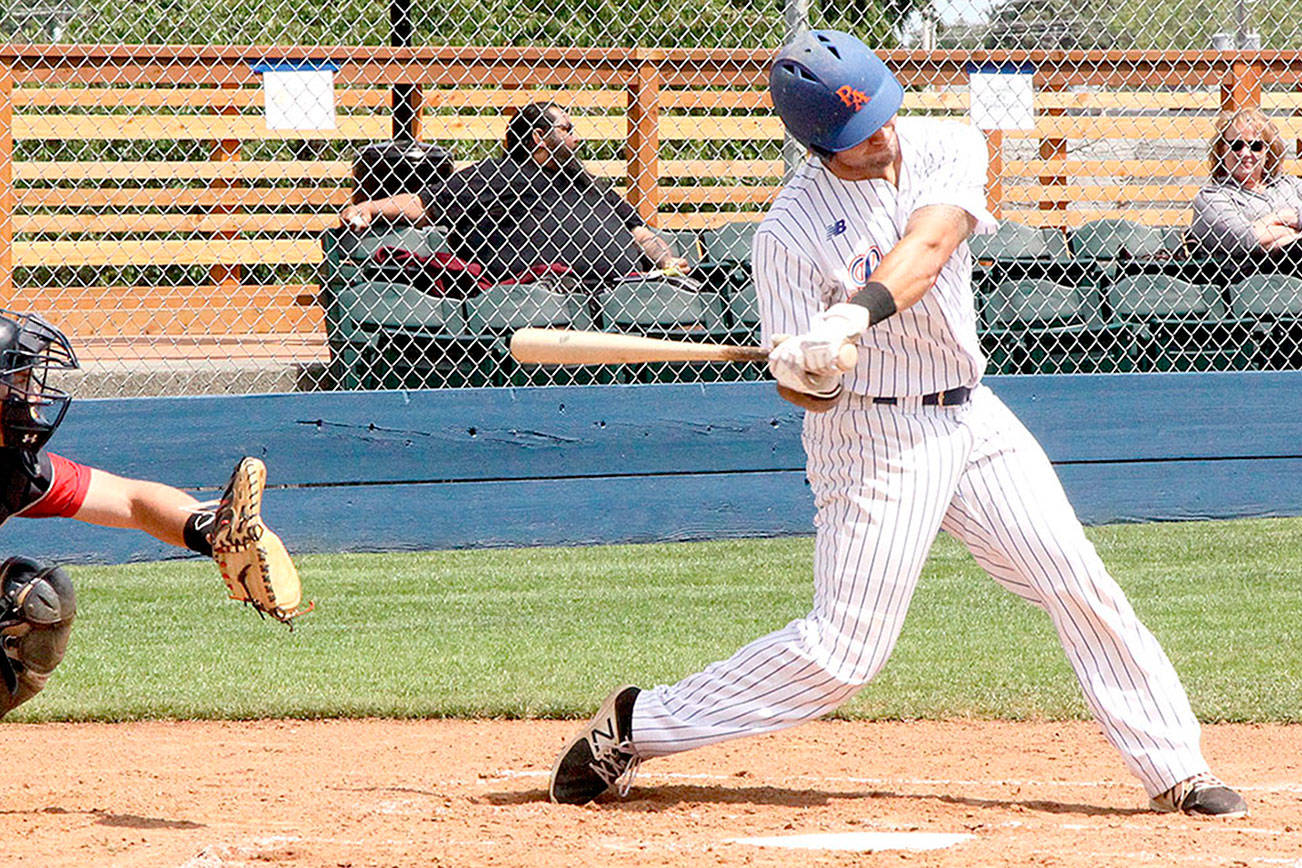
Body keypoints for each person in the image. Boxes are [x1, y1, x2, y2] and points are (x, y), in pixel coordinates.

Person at [548, 29, 1248, 819]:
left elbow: (930, 243)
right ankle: (638, 725)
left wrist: (850, 312)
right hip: (870, 441)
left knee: (1077, 579)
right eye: (857, 135)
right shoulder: (785, 234)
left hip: (971, 417)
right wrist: (806, 369)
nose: (880, 137)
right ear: (817, 145)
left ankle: (1175, 767)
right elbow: (805, 399)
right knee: (843, 654)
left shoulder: (944, 144)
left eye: (882, 115)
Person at [0, 309, 306, 718]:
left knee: (39, 598)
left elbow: (132, 501)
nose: (34, 397)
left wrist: (209, 531)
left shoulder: (14, 470)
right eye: (18, 382)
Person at [339, 101, 688, 285]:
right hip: (544, 291)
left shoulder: (588, 185)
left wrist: (666, 260)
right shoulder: (501, 175)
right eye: (567, 129)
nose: (576, 138)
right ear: (539, 137)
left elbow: (639, 232)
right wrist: (369, 207)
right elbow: (423, 203)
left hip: (625, 288)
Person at [1189, 107, 1302, 273]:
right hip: (1253, 279)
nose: (1245, 153)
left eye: (1255, 145)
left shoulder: (1290, 184)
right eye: (1236, 145)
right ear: (1222, 150)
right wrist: (1284, 217)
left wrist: (1265, 230)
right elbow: (1244, 239)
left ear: (1268, 152)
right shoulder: (1212, 198)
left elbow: (1254, 237)